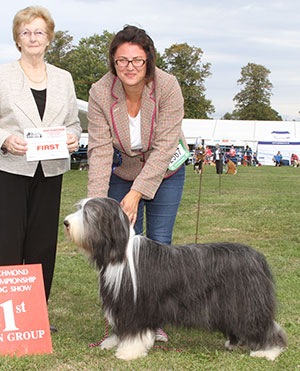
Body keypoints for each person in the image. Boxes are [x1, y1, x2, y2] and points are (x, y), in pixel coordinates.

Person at [87, 25, 188, 343]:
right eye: (122, 60)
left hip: (166, 169)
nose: (130, 67)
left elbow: (165, 146)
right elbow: (100, 151)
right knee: (122, 249)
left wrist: (137, 194)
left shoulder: (168, 86)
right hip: (123, 171)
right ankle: (125, 318)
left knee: (159, 245)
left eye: (137, 60)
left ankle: (154, 319)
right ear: (113, 63)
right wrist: (95, 207)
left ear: (149, 61)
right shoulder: (100, 92)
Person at [0, 6, 82, 330]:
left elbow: (74, 122)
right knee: (7, 242)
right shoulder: (3, 75)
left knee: (43, 244)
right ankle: (7, 319)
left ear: (49, 38)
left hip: (50, 171)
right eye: (26, 32)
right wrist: (5, 138)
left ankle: (34, 317)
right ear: (17, 39)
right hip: (10, 170)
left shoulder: (64, 78)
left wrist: (74, 136)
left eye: (38, 32)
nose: (32, 38)